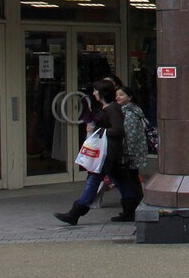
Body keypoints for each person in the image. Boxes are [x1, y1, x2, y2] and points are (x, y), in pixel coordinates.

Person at [55, 78, 142, 224]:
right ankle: (130, 209)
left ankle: (76, 212)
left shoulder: (112, 109)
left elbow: (119, 130)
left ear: (102, 93)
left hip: (108, 152)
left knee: (94, 180)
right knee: (120, 180)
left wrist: (98, 130)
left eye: (96, 90)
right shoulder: (107, 108)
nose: (94, 93)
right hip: (110, 152)